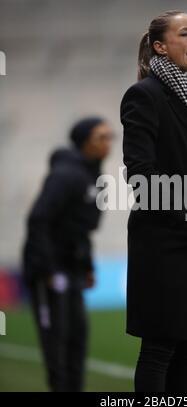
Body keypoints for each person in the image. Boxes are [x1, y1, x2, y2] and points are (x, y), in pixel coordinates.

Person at [120, 10, 187, 392]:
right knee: (159, 349)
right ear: (160, 47)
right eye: (184, 33)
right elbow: (138, 173)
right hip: (165, 243)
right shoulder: (144, 95)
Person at [22, 117, 113, 391]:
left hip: (73, 269)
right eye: (101, 137)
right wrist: (48, 271)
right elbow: (38, 220)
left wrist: (87, 266)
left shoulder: (97, 178)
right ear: (84, 140)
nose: (108, 143)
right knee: (57, 345)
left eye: (110, 137)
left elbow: (81, 230)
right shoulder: (65, 175)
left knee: (77, 340)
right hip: (50, 272)